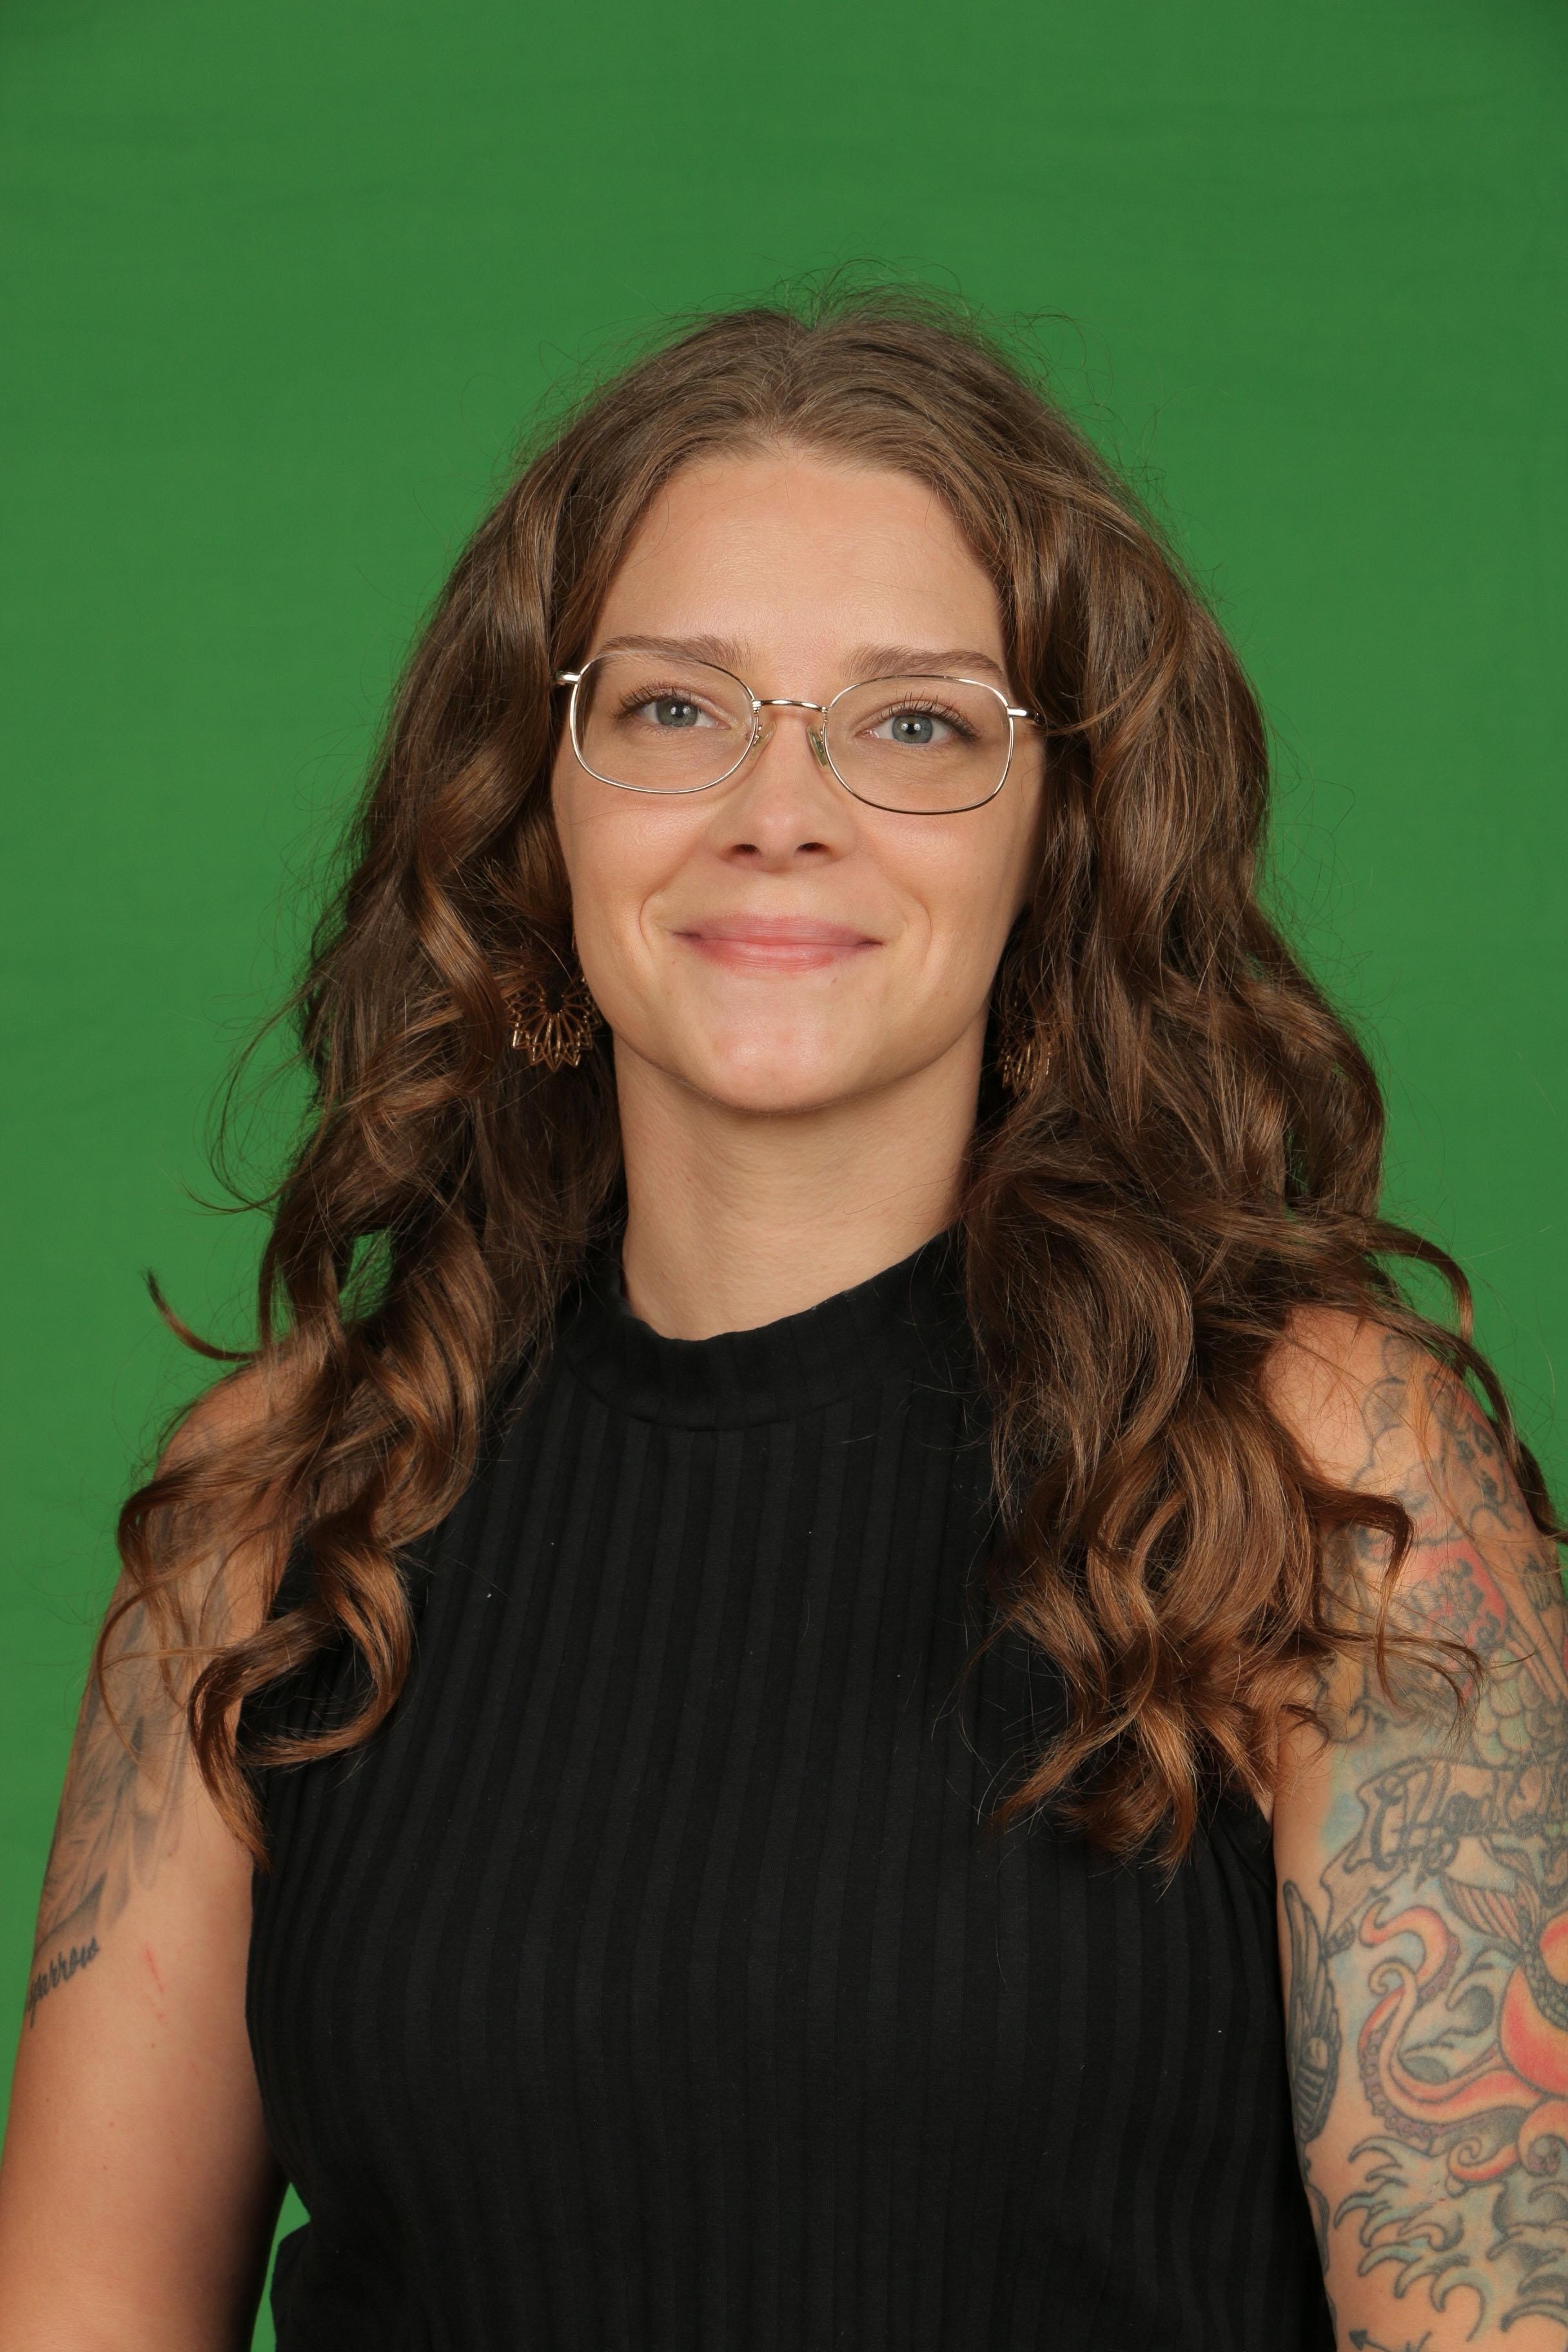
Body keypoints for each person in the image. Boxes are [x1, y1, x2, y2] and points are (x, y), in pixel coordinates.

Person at [1, 292, 1563, 2352]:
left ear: (1059, 835)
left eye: (915, 724)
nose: (780, 804)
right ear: (535, 802)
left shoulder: (1318, 1467)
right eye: (676, 708)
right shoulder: (281, 1510)